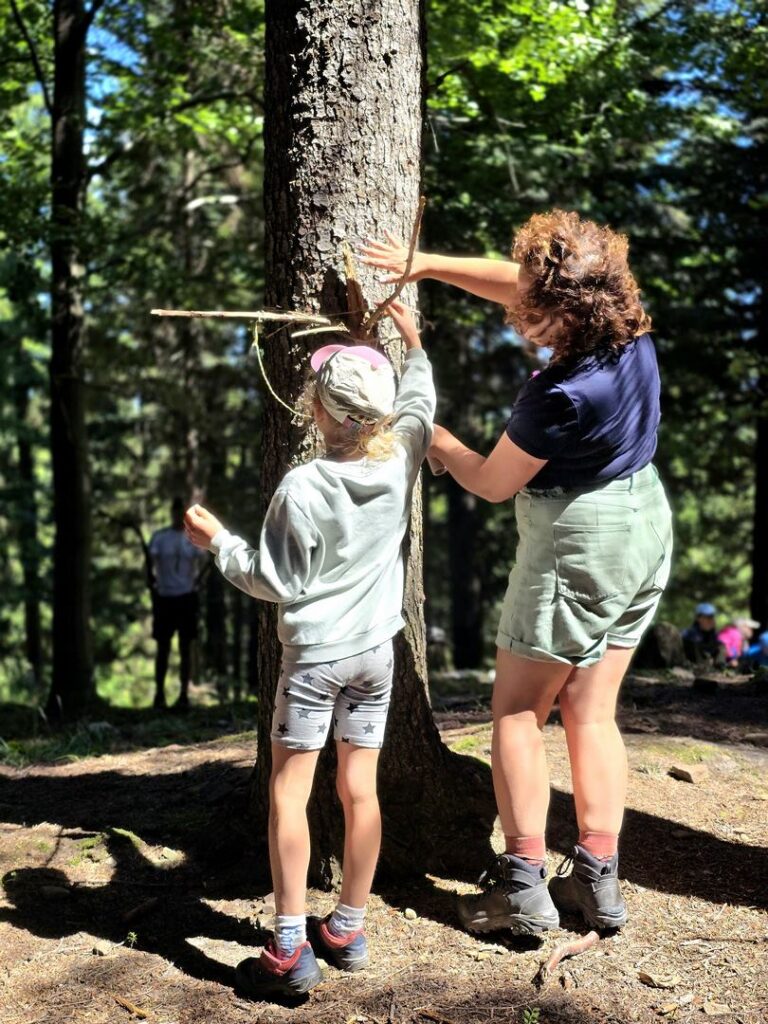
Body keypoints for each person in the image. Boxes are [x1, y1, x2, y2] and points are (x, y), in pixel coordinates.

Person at [361, 209, 673, 934]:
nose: (516, 314)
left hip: (578, 543)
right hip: (642, 525)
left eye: (530, 310)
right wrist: (429, 264)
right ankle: (599, 883)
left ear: (559, 311)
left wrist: (433, 437)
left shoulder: (559, 394)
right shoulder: (625, 324)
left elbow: (495, 481)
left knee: (516, 715)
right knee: (591, 711)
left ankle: (524, 890)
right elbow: (529, 284)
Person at [184, 302, 435, 998]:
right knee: (361, 790)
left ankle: (289, 949)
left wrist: (219, 545)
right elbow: (420, 396)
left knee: (289, 794)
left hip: (315, 665)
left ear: (318, 415)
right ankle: (348, 928)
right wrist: (411, 341)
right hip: (376, 659)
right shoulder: (405, 455)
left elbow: (273, 579)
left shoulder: (301, 488)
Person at [149, 497, 207, 710]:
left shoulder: (192, 539)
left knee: (185, 647)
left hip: (186, 597)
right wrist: (153, 586)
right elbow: (150, 565)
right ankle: (159, 694)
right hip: (165, 597)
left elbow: (204, 561)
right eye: (174, 512)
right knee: (163, 647)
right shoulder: (159, 538)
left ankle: (183, 694)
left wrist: (197, 584)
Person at [680, 602, 725, 667]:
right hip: (693, 665)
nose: (711, 621)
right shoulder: (689, 633)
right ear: (698, 619)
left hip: (708, 665)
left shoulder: (713, 634)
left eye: (712, 617)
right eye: (707, 617)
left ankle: (720, 668)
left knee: (721, 646)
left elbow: (713, 648)